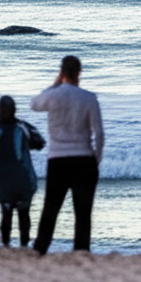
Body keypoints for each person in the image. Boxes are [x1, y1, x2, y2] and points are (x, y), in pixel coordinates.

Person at [30, 55, 104, 255]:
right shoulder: (88, 98)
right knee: (83, 212)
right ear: (79, 73)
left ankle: (40, 249)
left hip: (58, 159)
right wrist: (95, 158)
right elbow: (99, 132)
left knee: (51, 208)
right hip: (84, 159)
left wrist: (54, 85)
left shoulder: (53, 95)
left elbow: (34, 104)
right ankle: (81, 250)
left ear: (61, 72)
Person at [0, 96, 46, 247]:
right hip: (24, 178)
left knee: (6, 213)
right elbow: (40, 142)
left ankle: (5, 246)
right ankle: (24, 245)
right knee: (24, 213)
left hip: (3, 179)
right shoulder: (23, 127)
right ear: (15, 110)